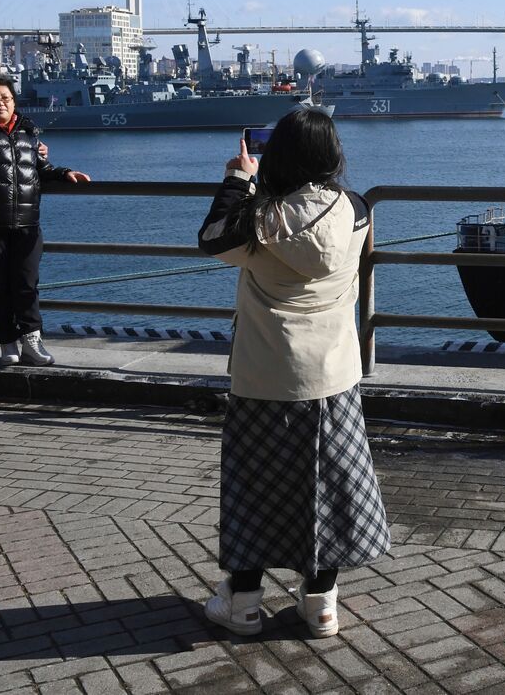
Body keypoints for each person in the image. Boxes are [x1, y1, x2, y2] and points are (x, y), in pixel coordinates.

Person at [197, 108, 389, 638]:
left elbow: (212, 237)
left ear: (277, 154)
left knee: (254, 490)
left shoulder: (261, 221)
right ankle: (321, 602)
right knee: (327, 489)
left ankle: (243, 603)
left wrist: (240, 178)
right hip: (333, 376)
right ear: (331, 156)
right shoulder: (357, 210)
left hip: (264, 376)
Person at [0, 77, 89, 367]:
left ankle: (31, 341)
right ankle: (7, 343)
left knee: (27, 284)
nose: (0, 102)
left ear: (14, 101)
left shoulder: (28, 132)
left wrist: (65, 173)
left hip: (27, 224)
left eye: (5, 97)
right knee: (0, 286)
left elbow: (42, 168)